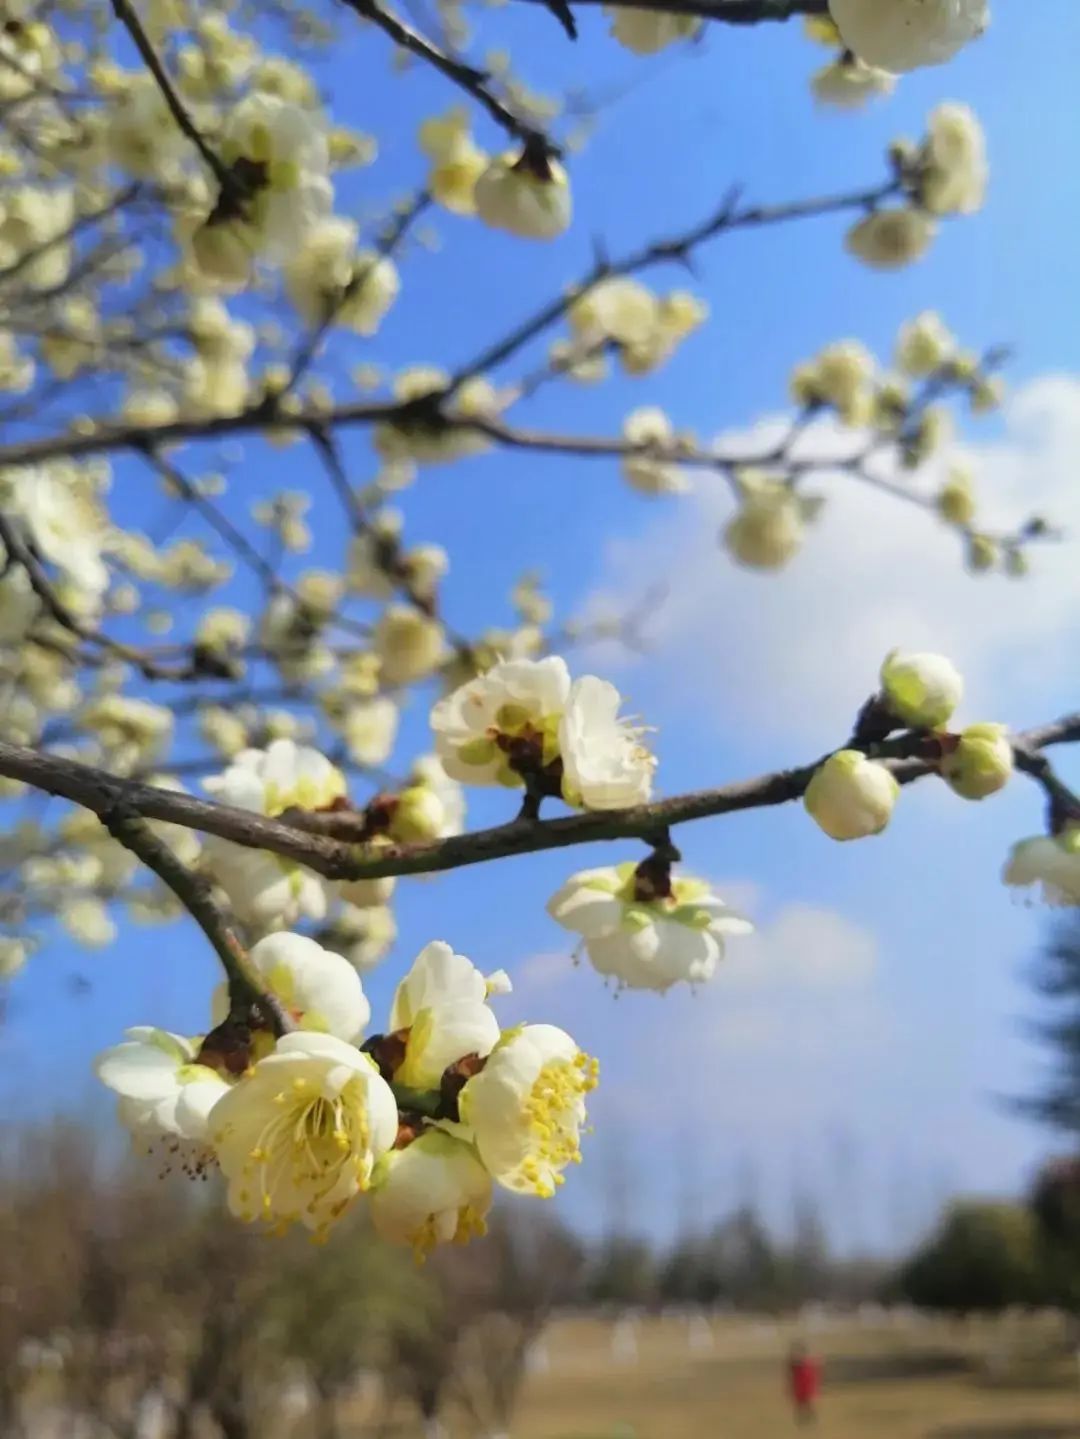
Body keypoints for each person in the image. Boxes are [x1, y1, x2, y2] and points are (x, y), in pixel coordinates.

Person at [786, 1343, 821, 1426]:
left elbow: (812, 1376)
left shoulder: (807, 1363)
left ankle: (811, 1420)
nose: (797, 1354)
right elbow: (791, 1374)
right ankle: (801, 1422)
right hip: (800, 1387)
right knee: (800, 1406)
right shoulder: (795, 1364)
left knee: (808, 1405)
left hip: (805, 1387)